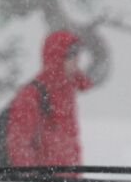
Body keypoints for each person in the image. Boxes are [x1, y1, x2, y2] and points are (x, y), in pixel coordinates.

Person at [5, 29, 93, 167]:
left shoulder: (67, 91)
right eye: (70, 54)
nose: (76, 59)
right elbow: (19, 144)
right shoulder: (32, 94)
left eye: (77, 53)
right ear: (56, 56)